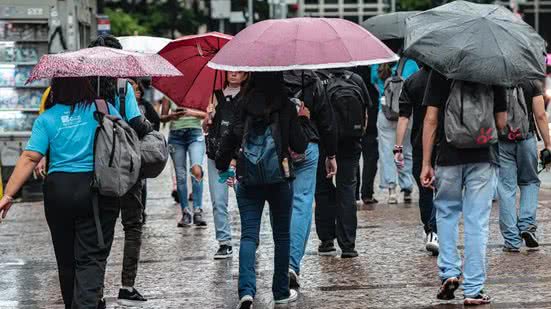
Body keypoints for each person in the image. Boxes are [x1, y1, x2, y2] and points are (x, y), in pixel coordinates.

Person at [0, 77, 122, 309]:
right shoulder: (102, 108)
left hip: (58, 191)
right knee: (91, 256)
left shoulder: (47, 119)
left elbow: (29, 157)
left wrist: (8, 195)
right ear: (84, 85)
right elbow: (122, 139)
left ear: (55, 89)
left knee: (65, 260)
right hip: (94, 190)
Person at [215, 72, 307, 309]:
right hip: (279, 178)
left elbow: (229, 139)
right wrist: (300, 119)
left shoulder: (243, 104)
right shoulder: (285, 105)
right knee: (282, 236)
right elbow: (299, 144)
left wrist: (222, 165)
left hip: (248, 178)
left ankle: (246, 292)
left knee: (248, 235)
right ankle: (280, 292)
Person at [421, 70, 507, 305]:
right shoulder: (493, 72)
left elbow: (431, 118)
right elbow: (501, 123)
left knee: (446, 214)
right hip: (483, 156)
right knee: (476, 221)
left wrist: (426, 163)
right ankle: (473, 289)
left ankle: (449, 272)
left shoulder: (441, 70)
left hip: (448, 156)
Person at [89, 35, 153, 306]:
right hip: (126, 167)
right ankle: (127, 287)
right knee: (133, 224)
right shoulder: (123, 85)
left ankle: (96, 292)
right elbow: (137, 124)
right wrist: (148, 126)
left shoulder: (83, 87)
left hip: (94, 165)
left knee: (99, 229)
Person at [283, 70, 337, 288]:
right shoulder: (313, 80)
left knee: (280, 205)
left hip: (278, 146)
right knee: (302, 203)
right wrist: (331, 154)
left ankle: (284, 261)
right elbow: (327, 121)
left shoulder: (267, 76)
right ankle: (292, 264)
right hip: (308, 144)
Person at [314, 68, 371, 258]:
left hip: (323, 141)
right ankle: (348, 245)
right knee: (347, 188)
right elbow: (365, 114)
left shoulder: (316, 79)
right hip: (351, 142)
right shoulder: (356, 79)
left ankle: (326, 240)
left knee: (323, 188)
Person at [498, 80, 551, 252]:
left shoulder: (495, 80)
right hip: (526, 138)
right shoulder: (531, 82)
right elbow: (541, 115)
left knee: (506, 189)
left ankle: (512, 240)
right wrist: (548, 144)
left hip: (502, 141)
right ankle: (527, 226)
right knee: (529, 182)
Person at [204, 71, 249, 259]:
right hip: (217, 155)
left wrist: (236, 157)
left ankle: (250, 238)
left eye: (238, 71)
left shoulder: (248, 97)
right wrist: (207, 119)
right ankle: (224, 242)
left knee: (245, 200)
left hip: (240, 158)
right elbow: (207, 128)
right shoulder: (215, 95)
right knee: (218, 200)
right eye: (231, 70)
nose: (233, 74)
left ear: (246, 75)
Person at [394, 65, 438, 255]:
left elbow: (403, 117)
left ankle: (430, 230)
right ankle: (435, 230)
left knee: (425, 188)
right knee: (443, 188)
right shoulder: (445, 77)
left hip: (420, 141)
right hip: (445, 140)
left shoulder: (412, 81)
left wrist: (398, 147)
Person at [371, 58, 418, 204]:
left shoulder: (375, 65)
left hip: (384, 113)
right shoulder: (411, 64)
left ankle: (391, 190)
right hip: (406, 114)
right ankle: (407, 187)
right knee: (406, 151)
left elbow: (376, 86)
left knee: (387, 152)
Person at [160, 98, 208, 227]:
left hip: (195, 134)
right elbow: (162, 117)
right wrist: (172, 116)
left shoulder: (198, 92)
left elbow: (207, 114)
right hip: (176, 137)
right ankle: (185, 212)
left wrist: (190, 112)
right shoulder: (169, 93)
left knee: (197, 170)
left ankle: (198, 210)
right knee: (180, 175)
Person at [353, 65, 381, 204]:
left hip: (351, 118)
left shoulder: (350, 71)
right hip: (370, 116)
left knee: (353, 156)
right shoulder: (372, 67)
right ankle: (367, 193)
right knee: (371, 155)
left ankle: (354, 192)